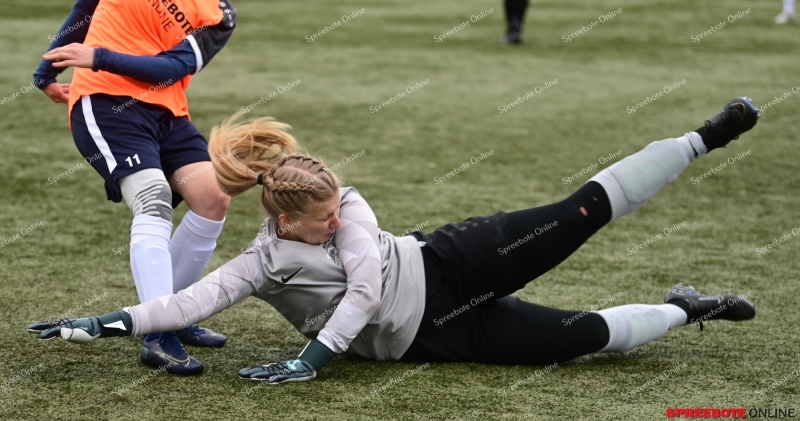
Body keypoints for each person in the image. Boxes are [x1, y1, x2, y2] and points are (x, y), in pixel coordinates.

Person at [29, 97, 760, 385]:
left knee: (578, 213)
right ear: (287, 220)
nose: (338, 222)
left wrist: (312, 358)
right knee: (586, 337)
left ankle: (703, 138)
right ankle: (690, 308)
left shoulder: (346, 202)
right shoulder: (263, 260)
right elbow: (191, 298)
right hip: (436, 334)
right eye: (322, 221)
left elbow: (369, 286)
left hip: (450, 258)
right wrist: (105, 320)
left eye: (337, 208)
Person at [29, 0, 238, 375]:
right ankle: (158, 334)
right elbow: (85, 12)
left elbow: (174, 66)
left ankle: (174, 312)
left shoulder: (220, 13)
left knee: (212, 199)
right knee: (153, 198)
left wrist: (98, 55)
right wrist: (46, 73)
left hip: (167, 111)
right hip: (105, 101)